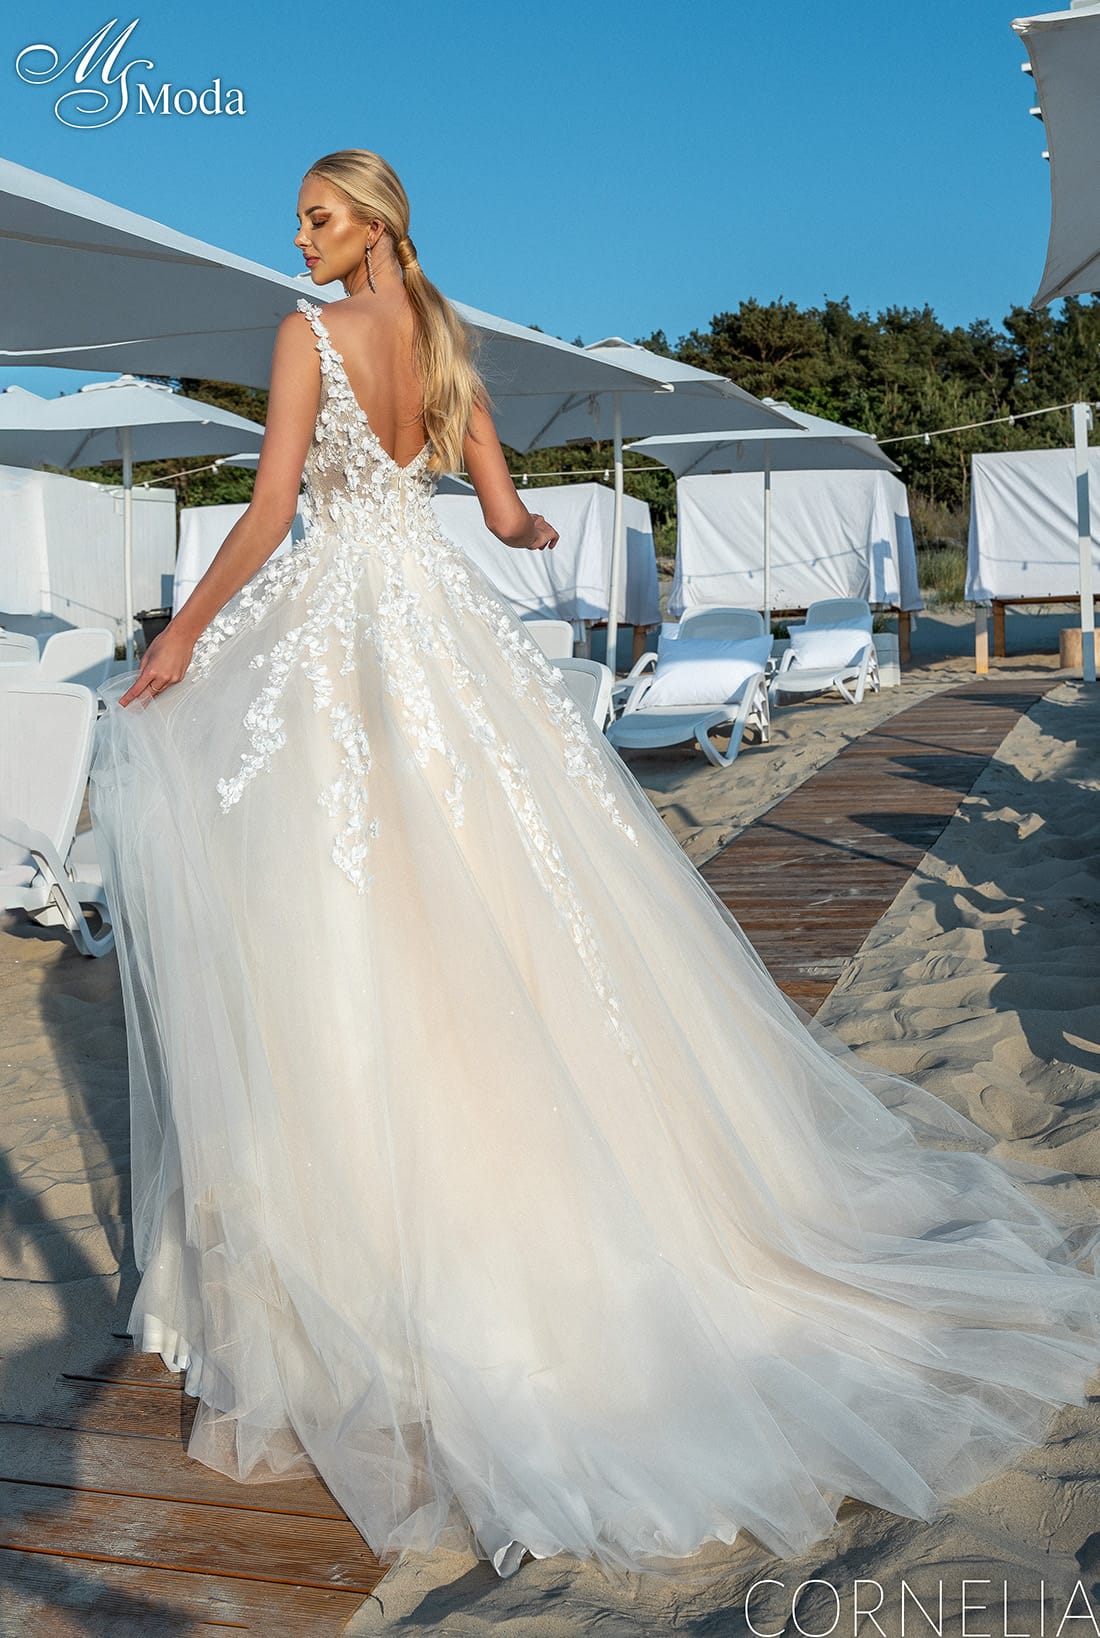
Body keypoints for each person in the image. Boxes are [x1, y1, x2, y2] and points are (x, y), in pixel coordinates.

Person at [90, 148, 1100, 1586]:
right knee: (491, 890)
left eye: (318, 217)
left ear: (371, 223)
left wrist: (184, 635)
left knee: (348, 903)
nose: (299, 239)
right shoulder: (443, 339)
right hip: (438, 628)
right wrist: (519, 525)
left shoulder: (308, 334)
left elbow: (269, 515)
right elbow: (502, 509)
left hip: (349, 631)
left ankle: (379, 1237)